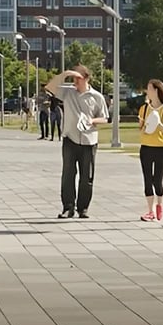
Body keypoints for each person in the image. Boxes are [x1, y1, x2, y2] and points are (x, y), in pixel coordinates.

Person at [47, 66, 108, 219]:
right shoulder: (68, 93)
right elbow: (50, 87)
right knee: (68, 174)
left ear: (86, 78)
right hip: (70, 138)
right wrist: (65, 74)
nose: (75, 81)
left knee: (87, 176)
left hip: (89, 140)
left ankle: (83, 208)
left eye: (78, 78)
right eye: (73, 78)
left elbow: (105, 118)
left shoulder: (96, 97)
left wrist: (92, 120)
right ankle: (68, 207)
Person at [138, 80, 163, 222]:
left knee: (157, 181)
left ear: (156, 90)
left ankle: (159, 204)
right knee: (147, 179)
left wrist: (157, 122)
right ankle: (150, 211)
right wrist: (146, 125)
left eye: (149, 89)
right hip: (146, 147)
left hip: (161, 148)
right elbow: (141, 127)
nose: (147, 92)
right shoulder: (144, 109)